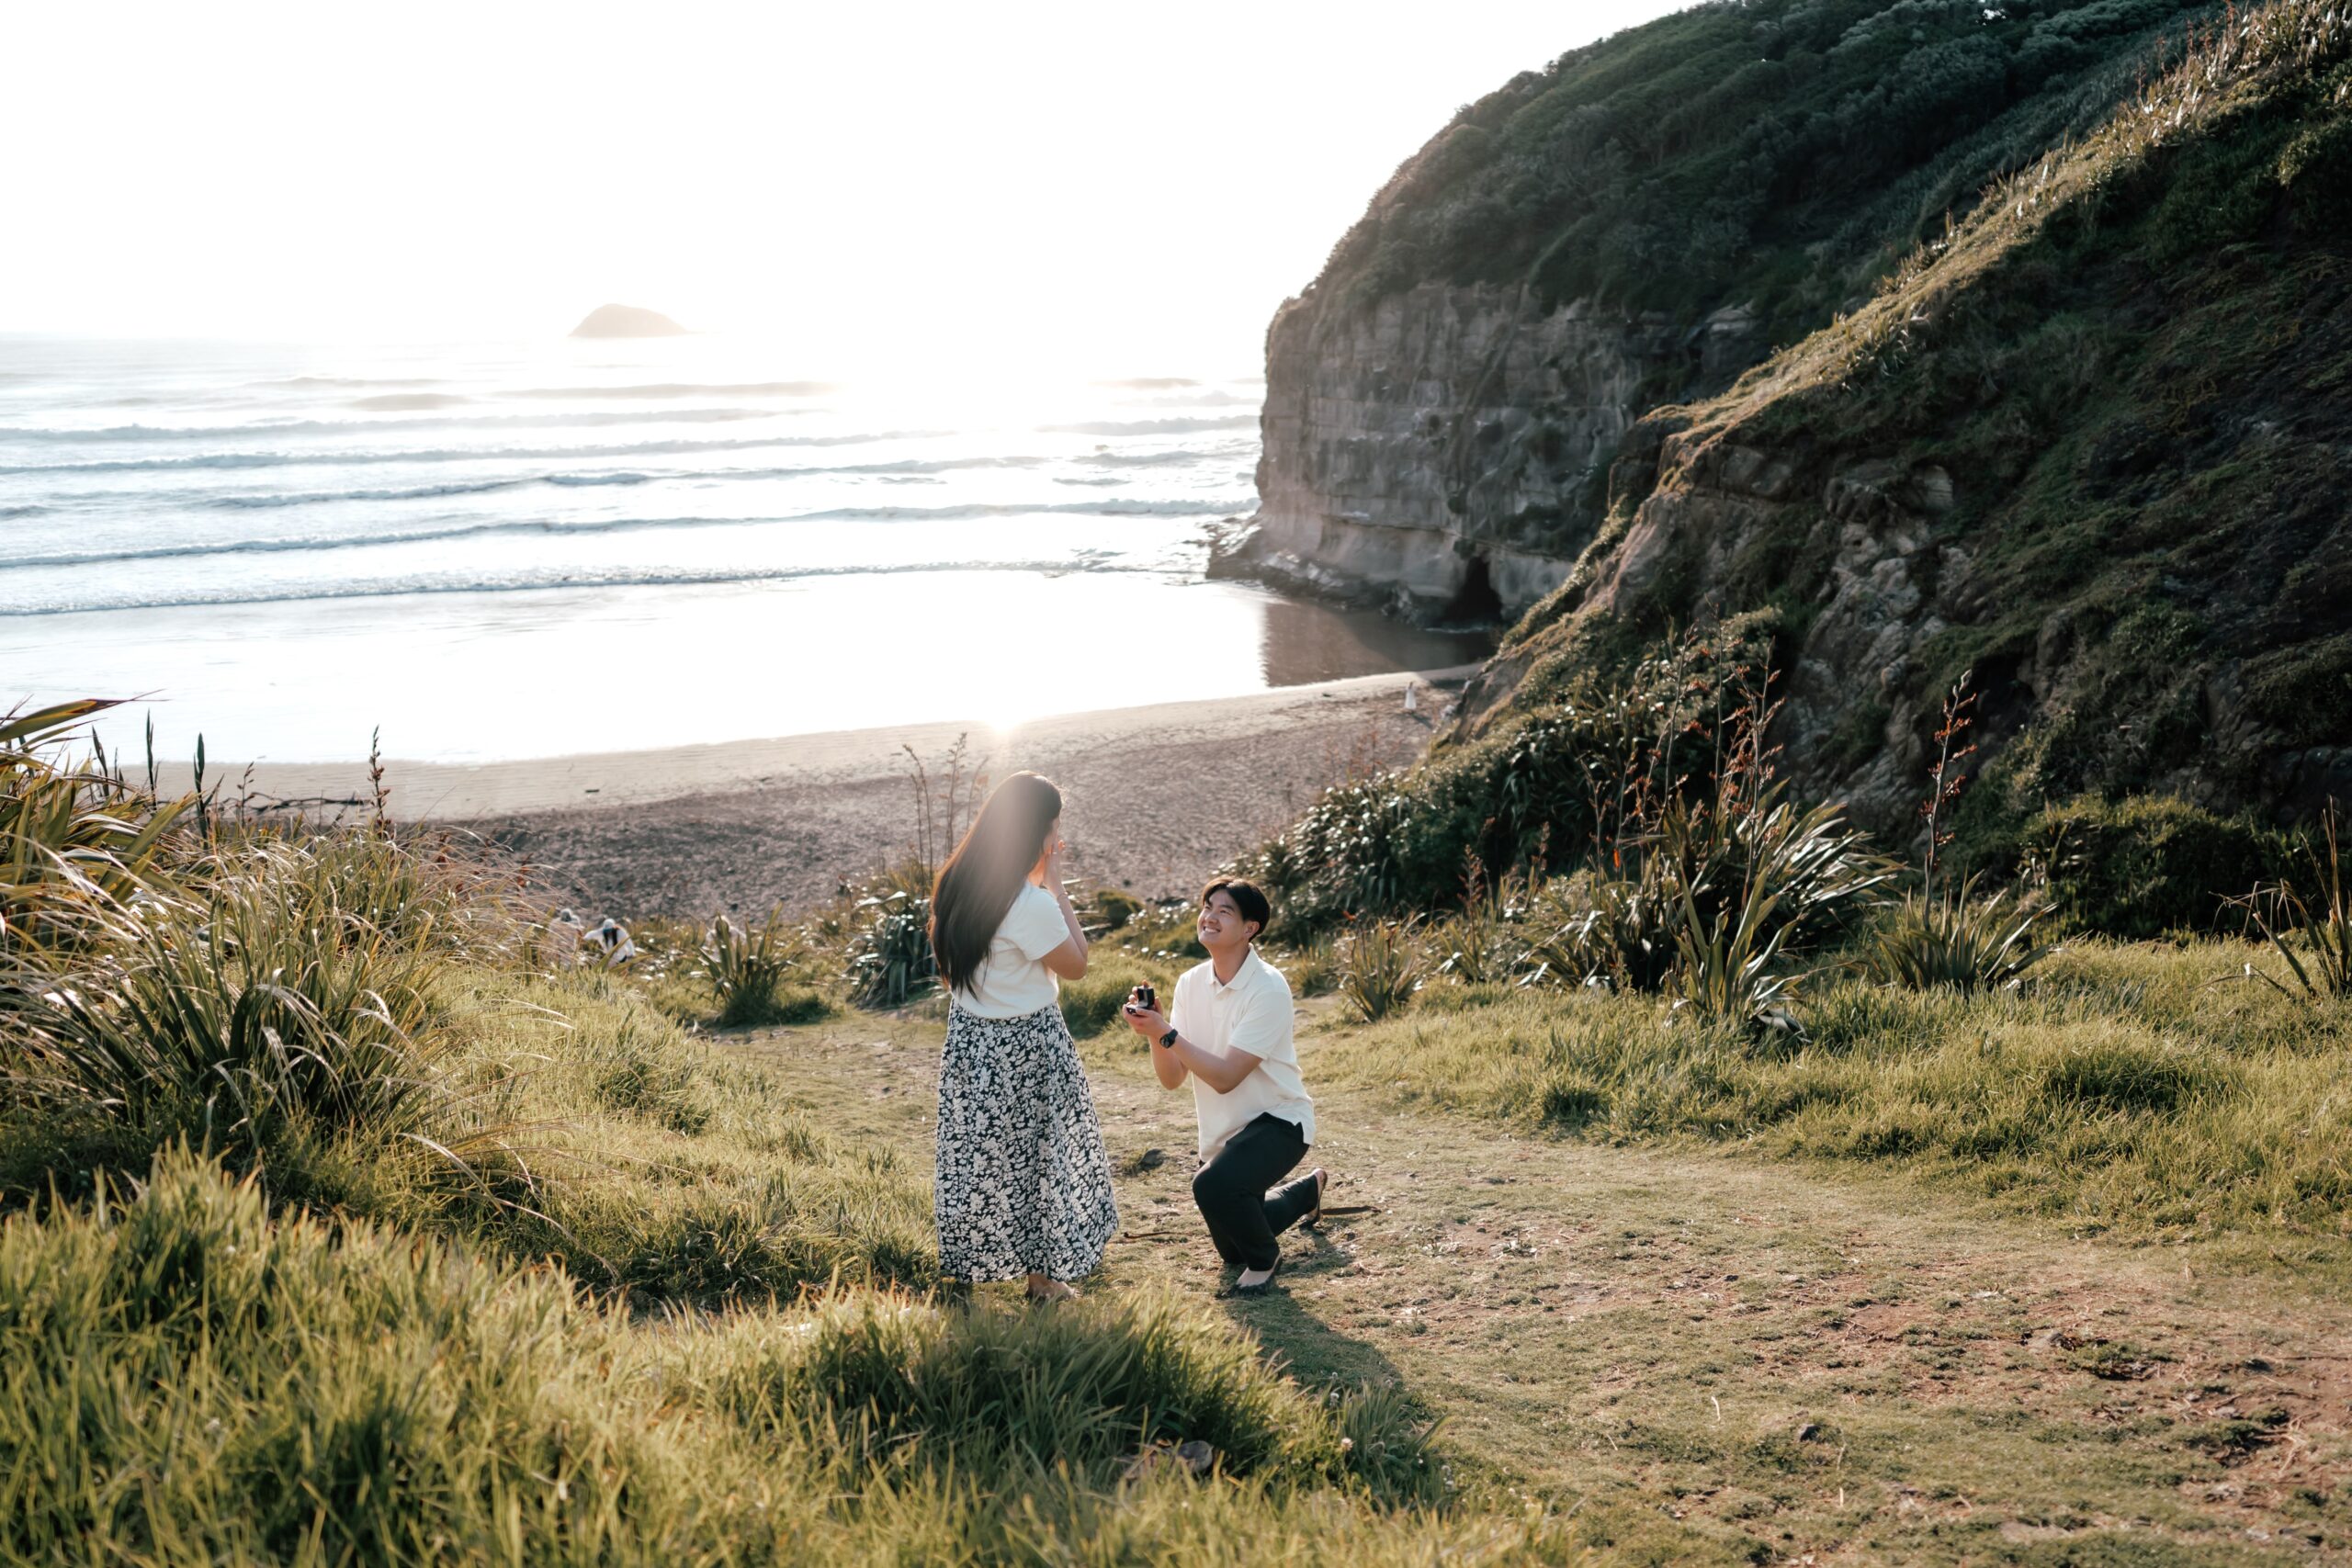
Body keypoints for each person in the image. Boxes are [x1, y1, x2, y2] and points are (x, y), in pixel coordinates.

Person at [928, 771, 1118, 1302]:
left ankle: (961, 1277)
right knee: (1040, 1157)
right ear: (1035, 832)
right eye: (1053, 829)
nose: (1055, 839)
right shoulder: (1027, 902)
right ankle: (1041, 1281)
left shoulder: (957, 883)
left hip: (969, 1038)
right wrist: (1056, 882)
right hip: (1027, 1042)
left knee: (972, 1154)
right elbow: (1077, 966)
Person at [1121, 877, 1321, 1296]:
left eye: (1224, 911)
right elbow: (1173, 1078)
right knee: (1231, 1248)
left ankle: (1266, 1262)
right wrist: (1156, 1032)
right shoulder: (1190, 983)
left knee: (1213, 1187)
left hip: (1280, 1122)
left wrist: (1168, 1033)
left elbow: (1227, 1077)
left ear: (1250, 928)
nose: (1209, 916)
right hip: (1227, 1137)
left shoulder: (1268, 986)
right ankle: (1307, 1192)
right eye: (1208, 906)